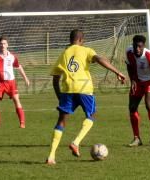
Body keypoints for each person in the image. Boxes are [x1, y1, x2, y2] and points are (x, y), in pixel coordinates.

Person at [46, 29, 126, 165]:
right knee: (91, 115)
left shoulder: (63, 54)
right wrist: (117, 71)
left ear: (70, 40)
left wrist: (60, 96)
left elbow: (55, 79)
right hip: (84, 88)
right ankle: (76, 142)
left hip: (67, 90)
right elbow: (99, 59)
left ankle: (51, 157)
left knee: (61, 121)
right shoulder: (86, 50)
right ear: (81, 40)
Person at [0, 35, 30, 129]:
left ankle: (22, 123)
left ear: (7, 45)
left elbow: (19, 67)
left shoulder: (12, 56)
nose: (2, 45)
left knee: (16, 100)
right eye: (1, 43)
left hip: (11, 83)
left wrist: (26, 78)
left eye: (4, 43)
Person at [125, 35, 150, 147]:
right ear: (132, 45)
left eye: (140, 47)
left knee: (149, 105)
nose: (137, 49)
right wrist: (133, 80)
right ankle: (136, 138)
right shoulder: (129, 51)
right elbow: (129, 66)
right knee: (132, 107)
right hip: (138, 81)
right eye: (135, 46)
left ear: (144, 46)